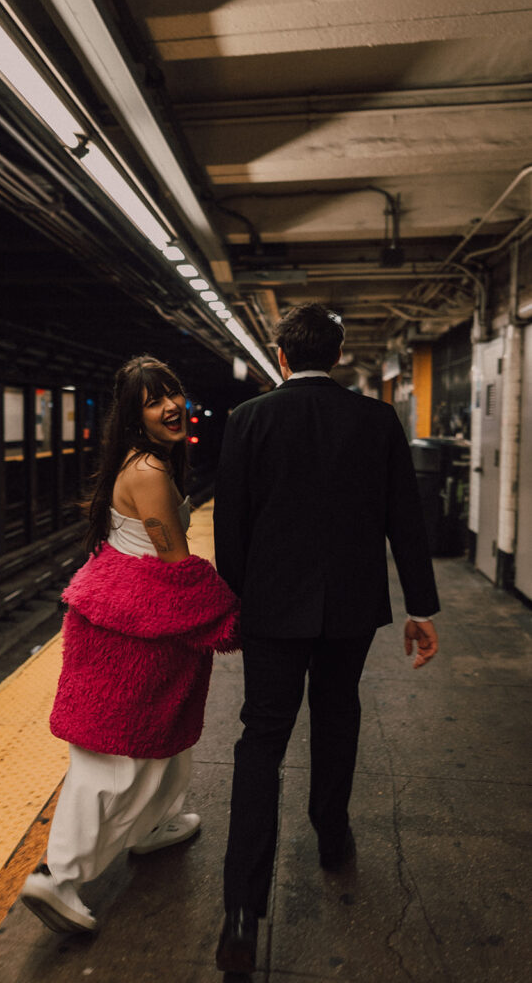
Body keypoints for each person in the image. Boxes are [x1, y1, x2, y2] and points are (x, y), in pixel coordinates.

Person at [213, 304, 439, 974]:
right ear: (337, 357)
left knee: (261, 738)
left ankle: (239, 911)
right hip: (348, 607)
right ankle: (331, 834)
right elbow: (406, 517)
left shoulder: (247, 421)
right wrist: (419, 608)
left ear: (280, 357)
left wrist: (240, 599)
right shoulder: (374, 420)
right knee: (337, 715)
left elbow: (231, 527)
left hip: (271, 611)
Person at [21, 355, 239, 934]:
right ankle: (57, 876)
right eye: (153, 399)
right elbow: (176, 565)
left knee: (162, 742)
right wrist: (226, 615)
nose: (171, 405)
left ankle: (154, 826)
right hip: (135, 633)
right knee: (117, 759)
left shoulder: (144, 461)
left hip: (123, 620)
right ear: (134, 414)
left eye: (174, 392)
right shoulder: (147, 471)